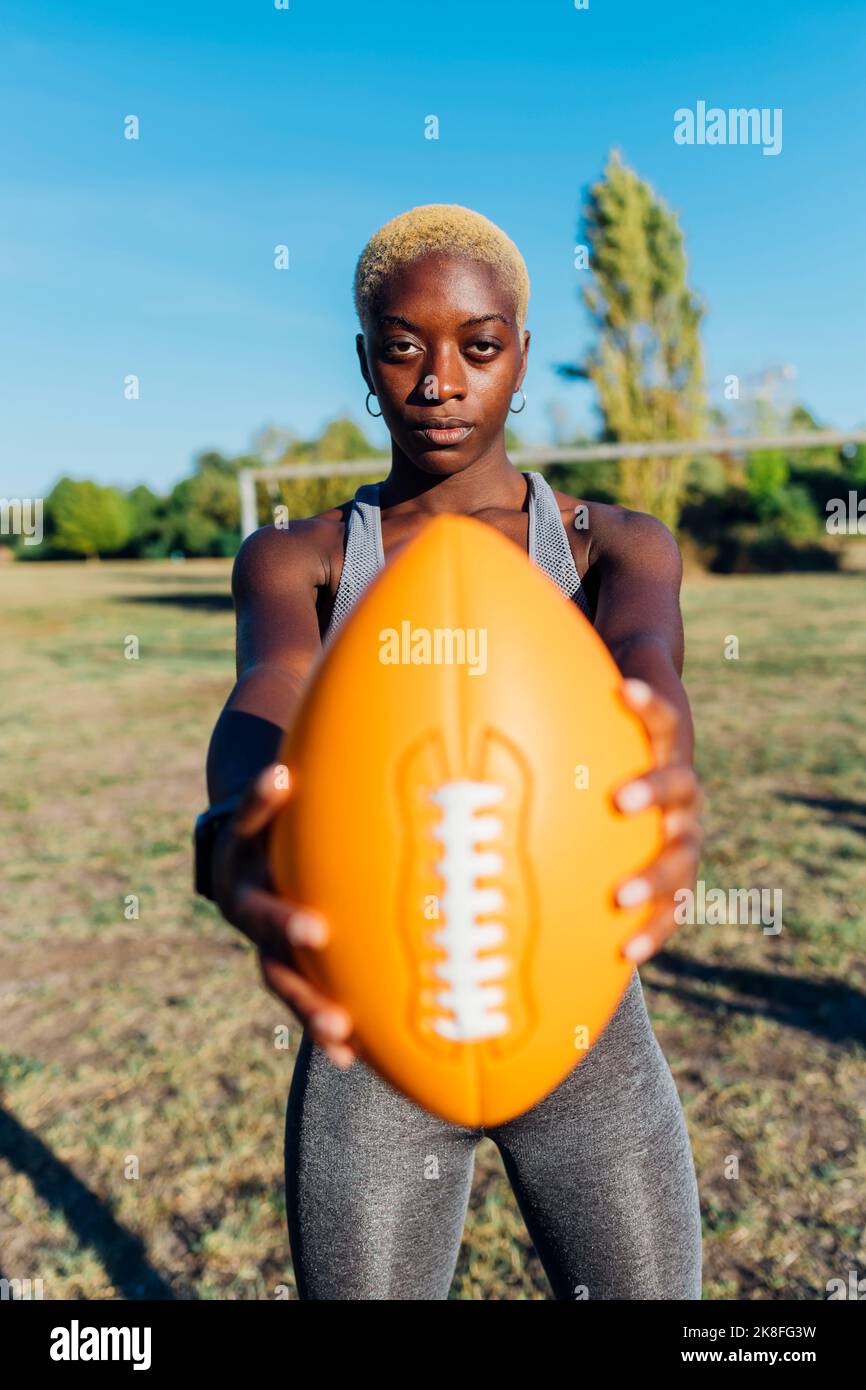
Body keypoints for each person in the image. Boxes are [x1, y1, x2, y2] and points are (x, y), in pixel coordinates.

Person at [195, 204, 703, 1300]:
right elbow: (268, 693)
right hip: (370, 1042)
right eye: (402, 346)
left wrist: (660, 758)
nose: (438, 381)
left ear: (518, 354)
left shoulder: (609, 543)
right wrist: (234, 822)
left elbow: (644, 663)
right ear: (364, 358)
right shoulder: (300, 557)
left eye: (477, 347)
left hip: (583, 1033)